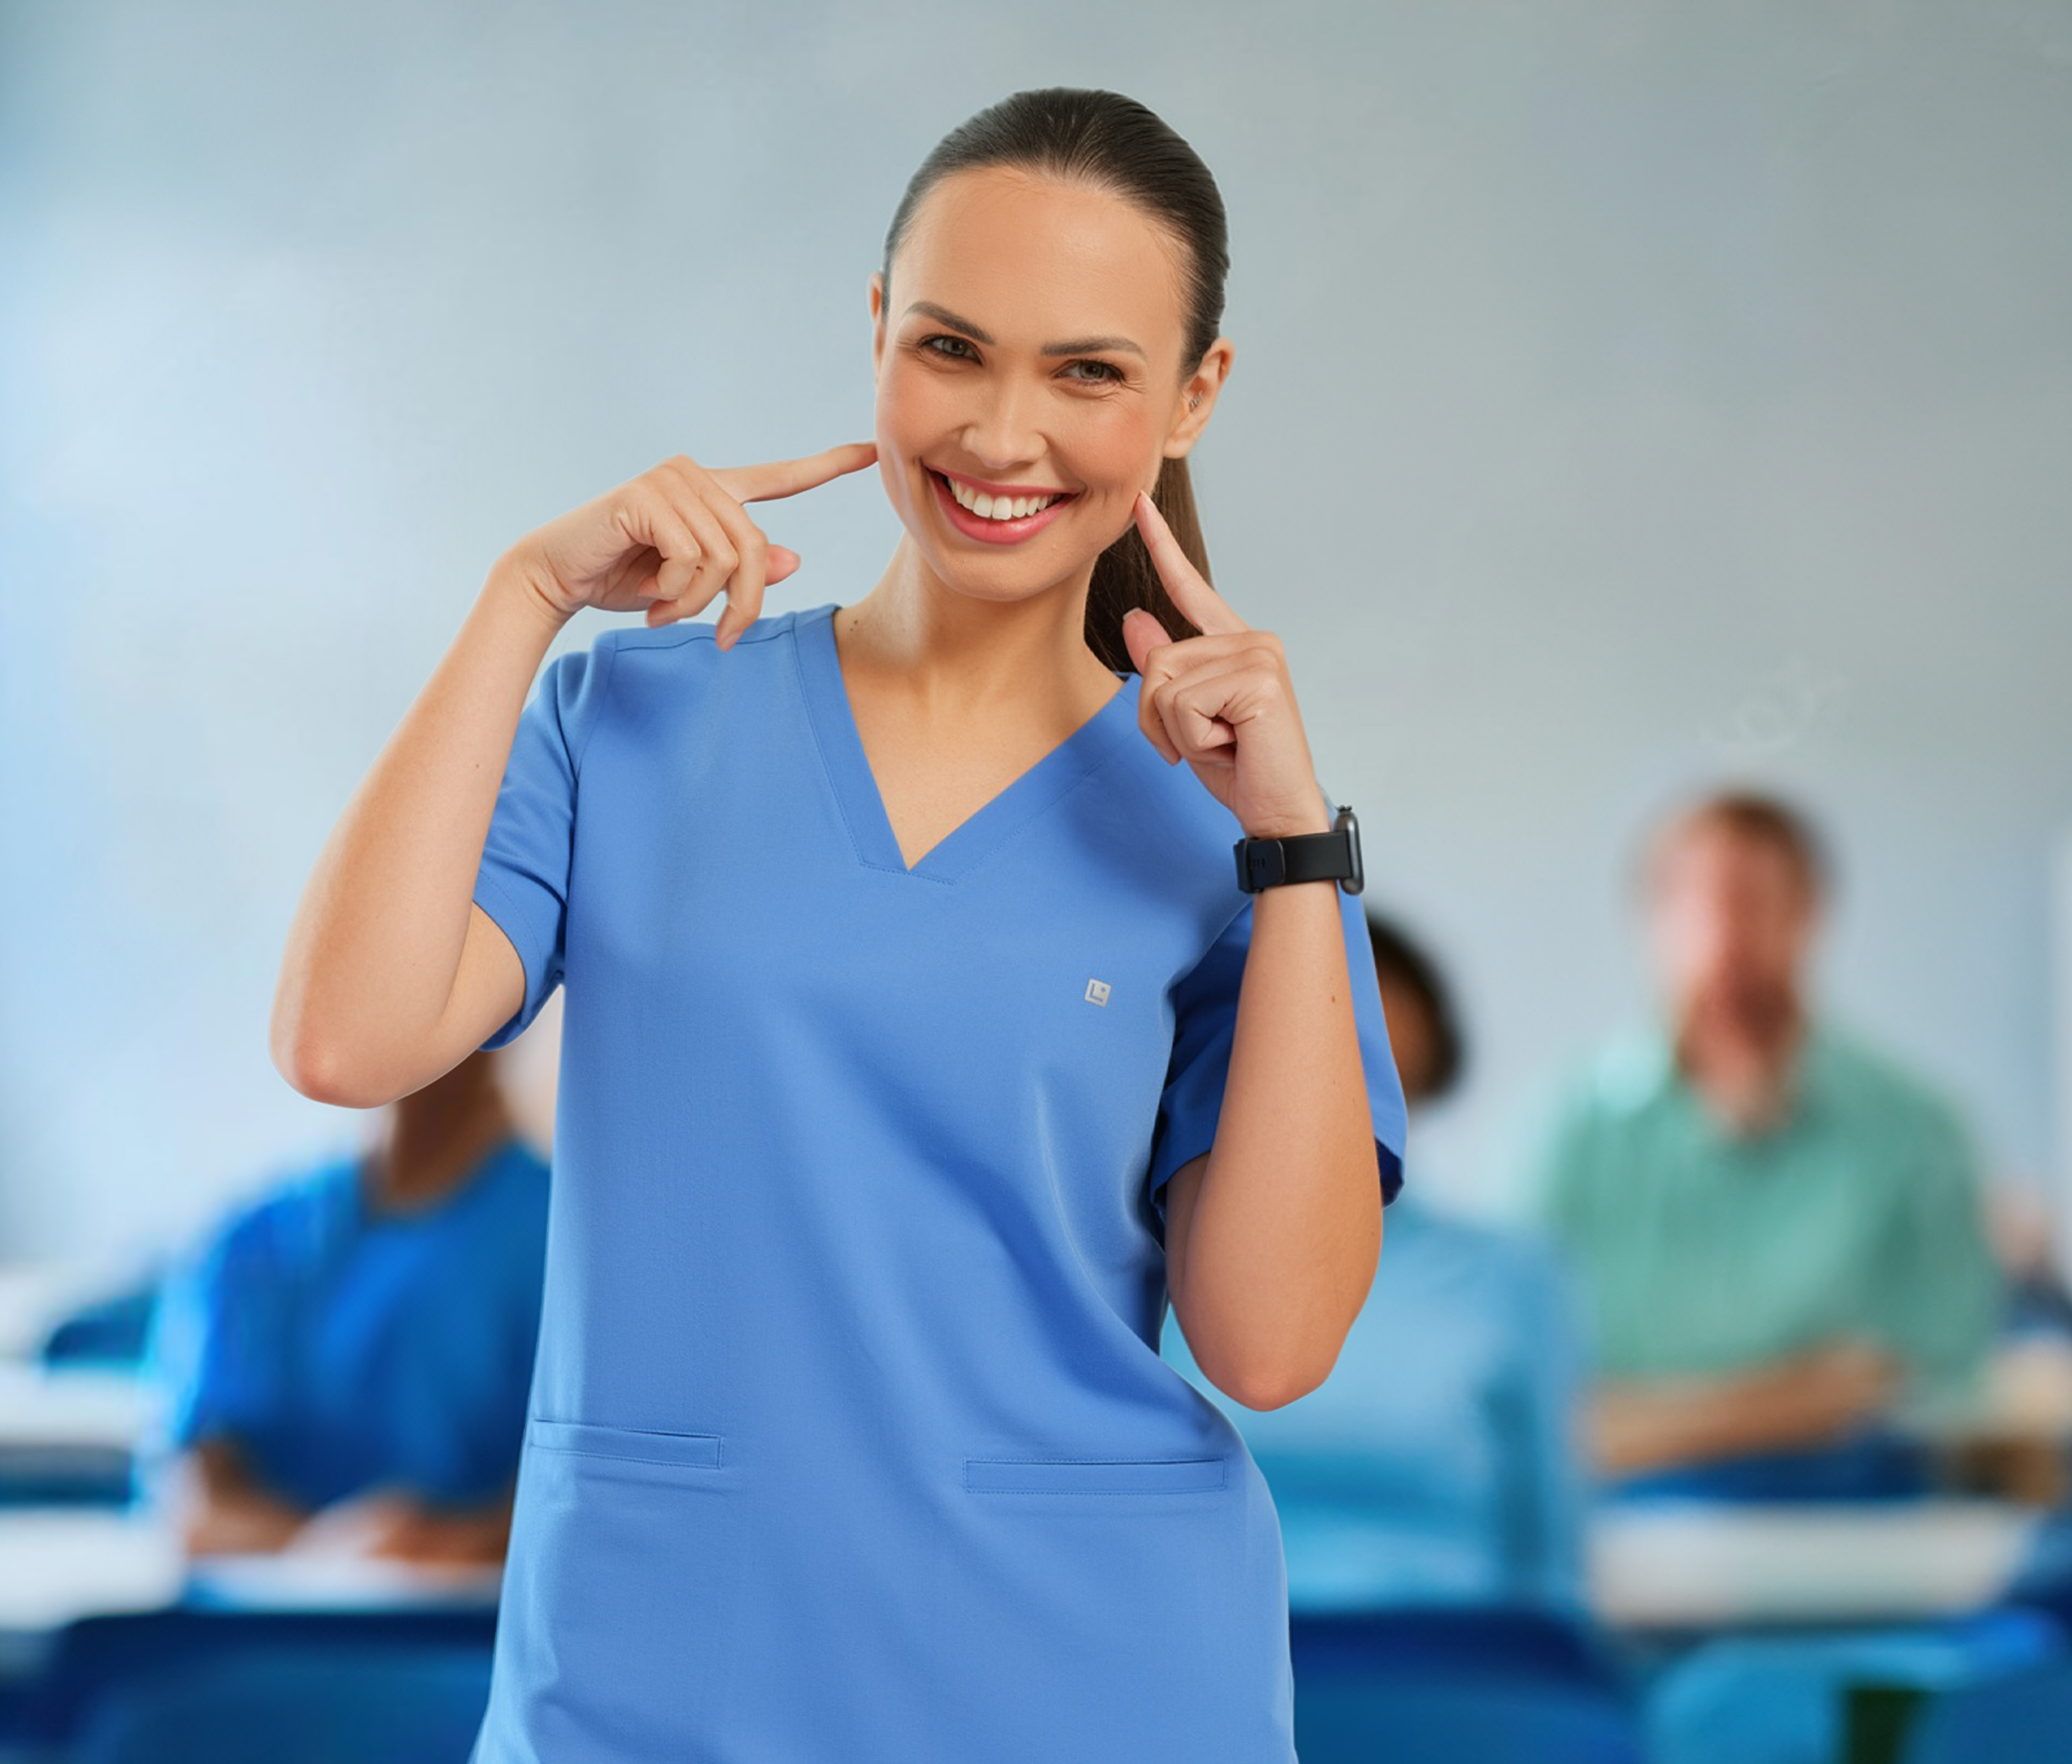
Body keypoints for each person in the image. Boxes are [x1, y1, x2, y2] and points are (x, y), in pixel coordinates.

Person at [270, 89, 1404, 1762]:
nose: (1005, 434)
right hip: (659, 1671)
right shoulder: (633, 721)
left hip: (1089, 1684)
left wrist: (1299, 852)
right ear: (877, 333)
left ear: (1193, 397)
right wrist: (525, 597)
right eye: (953, 348)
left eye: (1089, 371)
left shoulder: (1231, 826)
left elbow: (1273, 1340)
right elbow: (345, 1039)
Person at [1522, 792, 2006, 1485]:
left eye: (1753, 900)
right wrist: (1804, 1398)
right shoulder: (1569, 1131)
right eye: (1695, 903)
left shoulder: (1917, 1134)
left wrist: (1638, 1426)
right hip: (1628, 1533)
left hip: (1858, 1526)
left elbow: (1930, 1377)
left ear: (1810, 915)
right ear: (1650, 923)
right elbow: (1534, 1391)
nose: (1724, 936)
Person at [1165, 913, 1583, 1608]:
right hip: (1201, 1652)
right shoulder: (1148, 1283)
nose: (1325, 1028)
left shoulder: (1512, 1280)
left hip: (1441, 1666)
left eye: (1359, 992)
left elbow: (1551, 1557)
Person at [146, 1048, 547, 1565]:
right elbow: (193, 1502)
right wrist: (327, 1551)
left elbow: (581, 1515)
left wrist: (439, 1550)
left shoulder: (563, 1246)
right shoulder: (253, 1243)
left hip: (464, 1636)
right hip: (254, 1631)